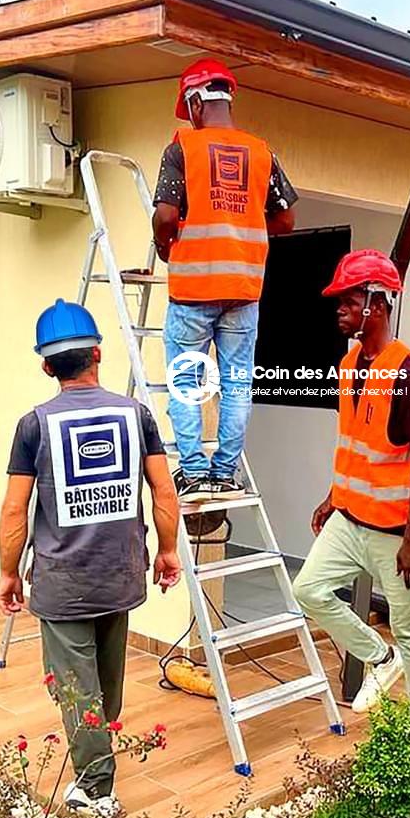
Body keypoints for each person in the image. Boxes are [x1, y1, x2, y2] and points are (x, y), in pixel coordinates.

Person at [0, 299, 182, 818]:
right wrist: (167, 550)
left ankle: (97, 790)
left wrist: (9, 572)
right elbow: (164, 493)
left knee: (77, 685)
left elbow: (16, 509)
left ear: (47, 365)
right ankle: (96, 760)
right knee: (106, 677)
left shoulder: (34, 425)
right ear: (97, 353)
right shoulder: (137, 414)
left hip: (62, 581)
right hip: (120, 573)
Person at [292, 250, 410, 718]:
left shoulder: (409, 373)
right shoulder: (350, 363)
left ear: (377, 303)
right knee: (308, 590)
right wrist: (333, 497)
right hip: (349, 518)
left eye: (348, 301)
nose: (339, 309)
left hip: (395, 532)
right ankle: (379, 656)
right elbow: (356, 441)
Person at [151, 58, 297, 502]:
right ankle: (225, 471)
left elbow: (165, 214)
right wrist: (242, 223)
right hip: (243, 289)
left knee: (187, 379)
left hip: (194, 288)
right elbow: (286, 219)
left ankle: (194, 471)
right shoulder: (261, 152)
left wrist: (165, 245)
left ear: (196, 102)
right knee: (236, 383)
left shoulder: (183, 148)